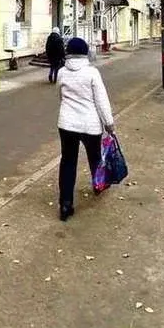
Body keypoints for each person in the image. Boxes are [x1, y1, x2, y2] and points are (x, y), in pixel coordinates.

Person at [55, 37, 114, 221]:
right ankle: (98, 185)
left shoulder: (62, 72)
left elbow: (61, 96)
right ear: (85, 53)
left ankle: (65, 205)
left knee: (68, 162)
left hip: (66, 124)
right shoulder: (92, 73)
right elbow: (101, 101)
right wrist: (109, 123)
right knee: (95, 157)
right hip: (90, 125)